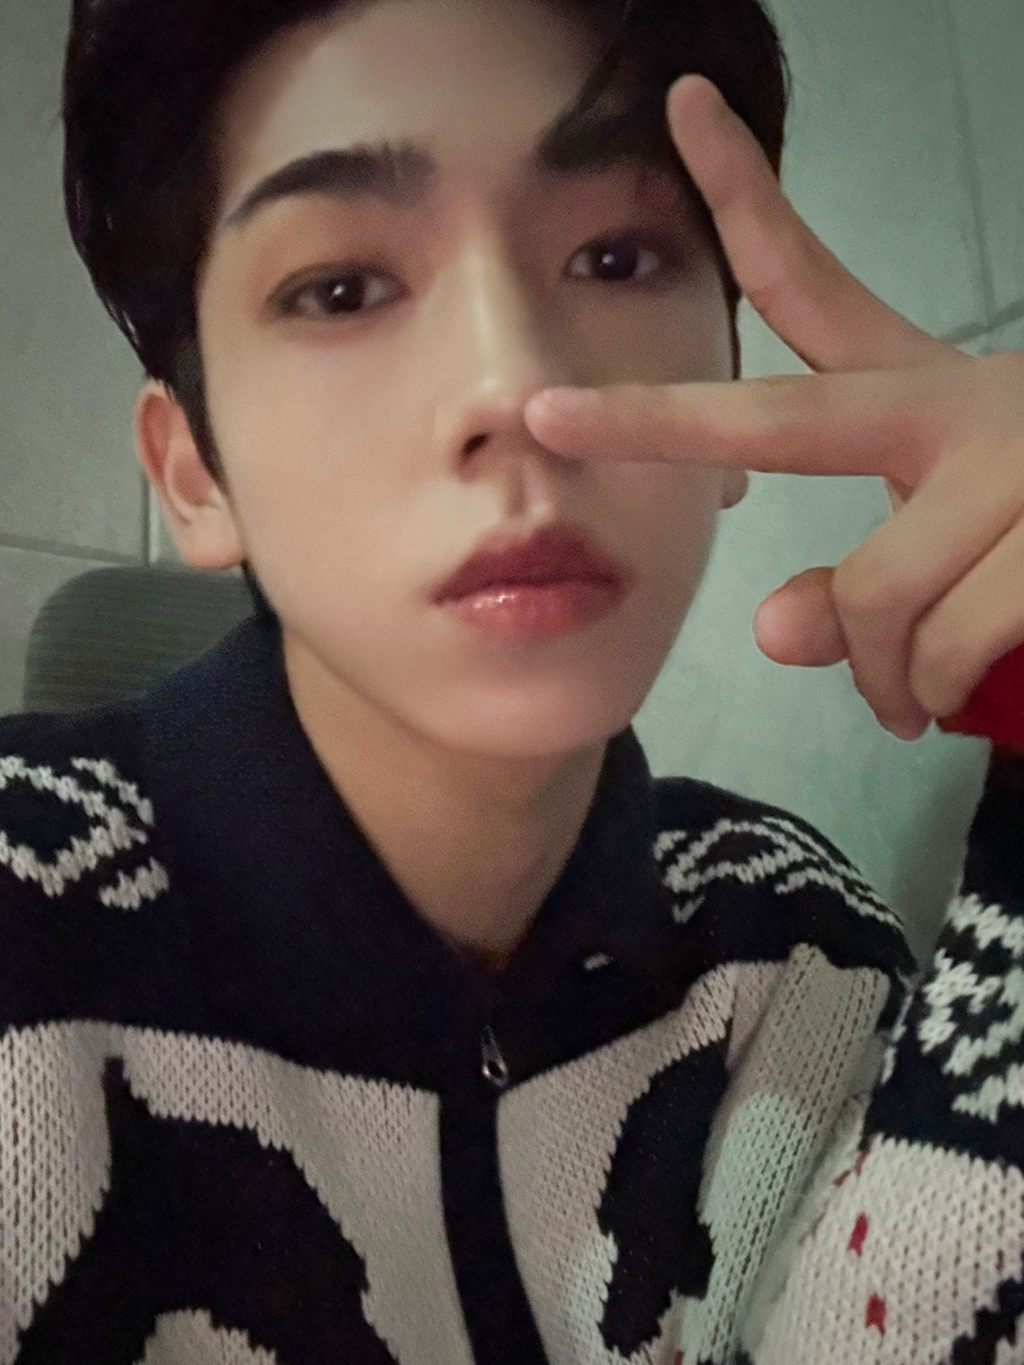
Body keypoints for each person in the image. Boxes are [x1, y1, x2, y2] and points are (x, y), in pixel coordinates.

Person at [0, 0, 1022, 1360]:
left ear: (730, 395)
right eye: (342, 289)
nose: (515, 384)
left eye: (616, 257)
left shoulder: (801, 953)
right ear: (194, 469)